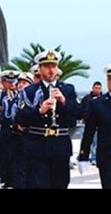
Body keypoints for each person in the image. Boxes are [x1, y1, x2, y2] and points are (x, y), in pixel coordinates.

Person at [17, 50, 84, 188]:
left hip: (60, 146)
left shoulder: (67, 89)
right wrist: (39, 111)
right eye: (47, 66)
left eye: (53, 66)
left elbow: (80, 113)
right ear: (40, 69)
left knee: (60, 184)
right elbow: (20, 118)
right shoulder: (30, 91)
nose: (51, 70)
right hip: (37, 146)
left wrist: (64, 101)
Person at [79, 81, 103, 165]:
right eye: (96, 88)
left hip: (99, 125)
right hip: (86, 123)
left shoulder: (103, 99)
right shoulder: (87, 98)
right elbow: (81, 108)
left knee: (96, 143)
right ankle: (83, 156)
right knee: (86, 140)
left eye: (99, 88)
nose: (97, 90)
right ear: (92, 88)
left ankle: (94, 158)